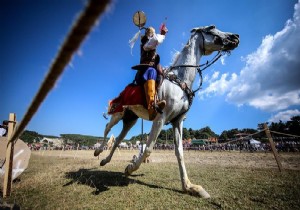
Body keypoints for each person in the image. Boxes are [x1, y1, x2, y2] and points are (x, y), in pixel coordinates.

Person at [132, 24, 168, 120]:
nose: (153, 36)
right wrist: (162, 34)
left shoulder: (152, 49)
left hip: (152, 72)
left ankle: (158, 100)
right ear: (149, 35)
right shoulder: (145, 44)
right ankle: (152, 108)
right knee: (151, 71)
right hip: (143, 73)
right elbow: (155, 41)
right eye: (152, 34)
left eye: (153, 34)